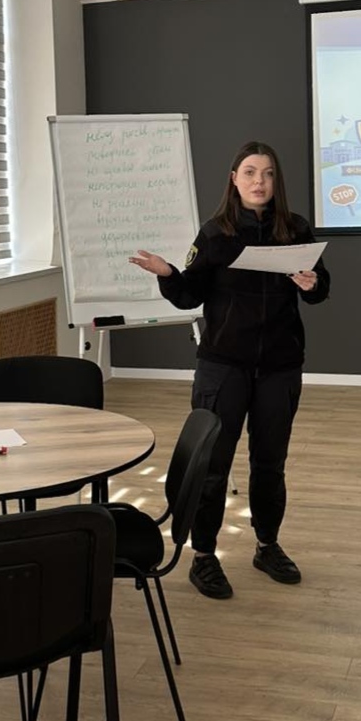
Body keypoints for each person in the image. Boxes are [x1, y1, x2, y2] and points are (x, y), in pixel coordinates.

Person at [129, 141, 330, 599]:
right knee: (212, 466)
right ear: (234, 180)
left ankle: (267, 545)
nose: (260, 181)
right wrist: (167, 273)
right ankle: (204, 555)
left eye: (268, 173)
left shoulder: (295, 229)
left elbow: (320, 290)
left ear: (276, 181)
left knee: (270, 464)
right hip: (223, 367)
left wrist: (313, 282)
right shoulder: (215, 233)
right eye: (250, 172)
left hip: (280, 366)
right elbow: (189, 295)